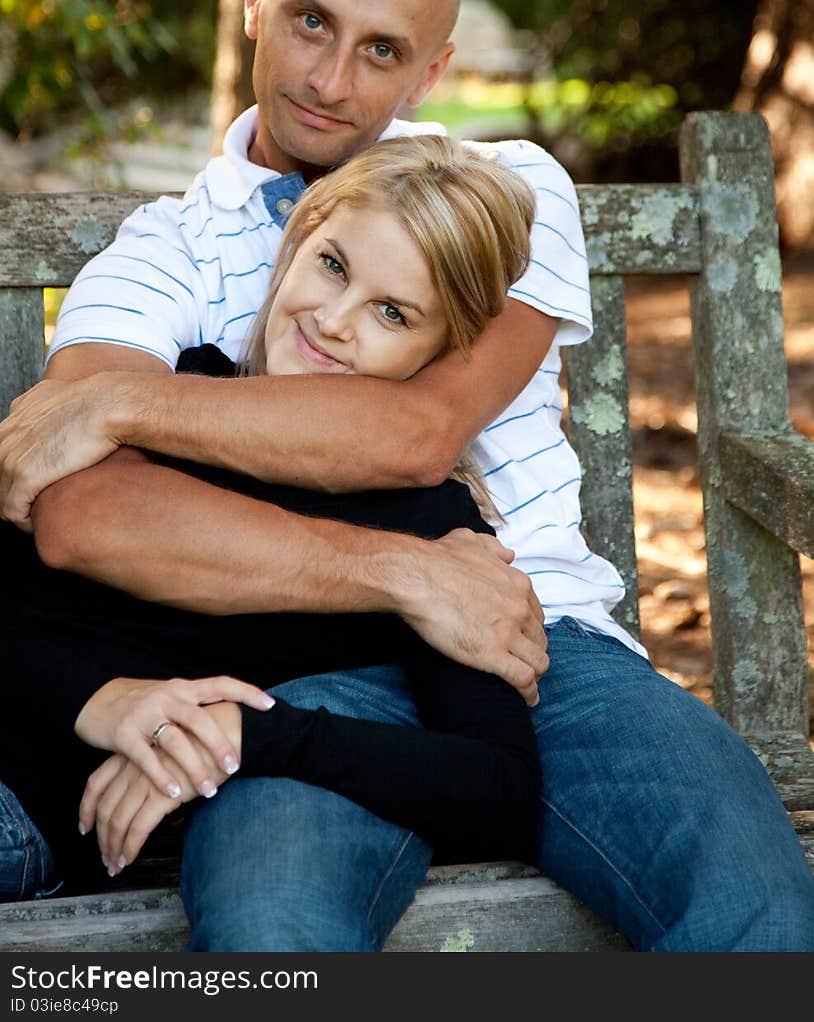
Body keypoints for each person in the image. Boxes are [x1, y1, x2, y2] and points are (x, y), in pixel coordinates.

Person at [0, 0, 814, 950]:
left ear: (432, 69)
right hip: (281, 681)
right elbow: (79, 513)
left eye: (382, 49)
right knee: (273, 931)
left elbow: (415, 434)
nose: (330, 80)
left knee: (755, 907)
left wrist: (120, 403)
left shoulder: (500, 196)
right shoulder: (162, 252)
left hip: (539, 650)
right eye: (310, 21)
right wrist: (406, 574)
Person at [0, 136, 541, 890]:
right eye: (332, 265)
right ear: (298, 238)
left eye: (391, 312)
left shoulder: (429, 530)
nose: (334, 321)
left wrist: (256, 737)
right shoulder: (167, 403)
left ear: (441, 349)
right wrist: (96, 699)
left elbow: (502, 792)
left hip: (19, 811)